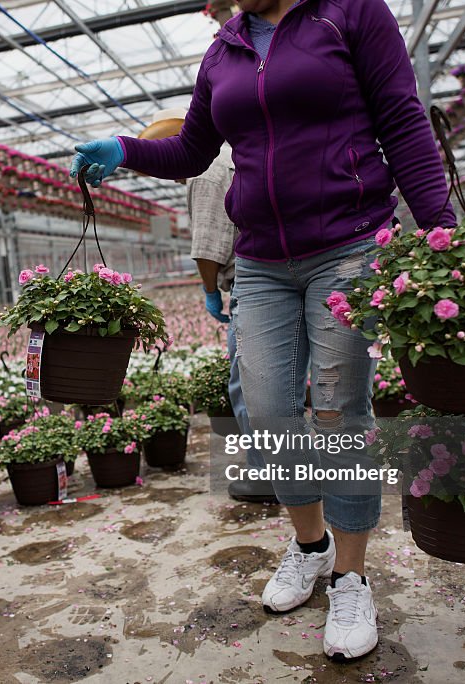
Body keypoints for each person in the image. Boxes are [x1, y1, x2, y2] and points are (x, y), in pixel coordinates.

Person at [70, 0, 455, 660]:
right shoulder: (225, 50)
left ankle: (352, 578)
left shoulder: (351, 12)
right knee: (267, 413)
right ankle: (311, 545)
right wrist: (126, 149)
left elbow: (401, 120)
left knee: (338, 415)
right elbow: (194, 149)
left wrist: (441, 229)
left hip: (349, 244)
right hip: (260, 261)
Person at [140, 108, 275, 503]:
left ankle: (268, 473)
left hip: (253, 281)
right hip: (269, 272)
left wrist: (210, 290)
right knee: (270, 380)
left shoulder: (207, 169)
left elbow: (208, 243)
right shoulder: (229, 157)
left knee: (249, 382)